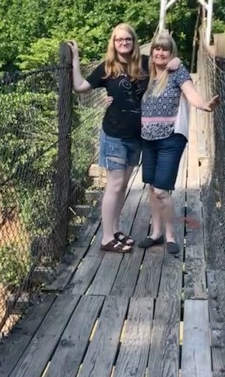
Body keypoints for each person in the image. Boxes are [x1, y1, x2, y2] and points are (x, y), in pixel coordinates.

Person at [68, 24, 180, 253]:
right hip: (114, 135)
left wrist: (176, 62)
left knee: (123, 186)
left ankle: (115, 229)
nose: (124, 42)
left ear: (133, 40)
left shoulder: (146, 63)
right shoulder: (106, 67)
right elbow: (80, 87)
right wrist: (75, 60)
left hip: (138, 136)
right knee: (115, 185)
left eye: (128, 39)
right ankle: (106, 237)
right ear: (113, 42)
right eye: (119, 39)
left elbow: (167, 64)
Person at [139, 33, 220, 255]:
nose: (160, 53)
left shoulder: (177, 72)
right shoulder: (147, 74)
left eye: (165, 49)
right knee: (152, 188)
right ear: (152, 52)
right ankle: (155, 233)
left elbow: (191, 93)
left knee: (162, 190)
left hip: (170, 138)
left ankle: (170, 235)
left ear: (171, 52)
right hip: (148, 138)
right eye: (157, 49)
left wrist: (204, 105)